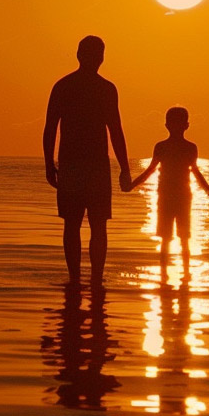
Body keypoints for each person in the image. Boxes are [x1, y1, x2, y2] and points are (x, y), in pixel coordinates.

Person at [43, 36, 132, 283]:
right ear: (81, 56)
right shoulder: (68, 87)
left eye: (98, 54)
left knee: (89, 225)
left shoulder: (91, 88)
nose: (97, 58)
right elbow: (51, 127)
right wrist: (49, 164)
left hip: (89, 166)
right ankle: (84, 279)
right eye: (94, 53)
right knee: (81, 224)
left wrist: (125, 168)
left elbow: (115, 130)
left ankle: (90, 279)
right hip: (78, 166)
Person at [124, 106, 209, 278]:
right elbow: (150, 170)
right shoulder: (161, 147)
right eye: (174, 123)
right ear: (167, 125)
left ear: (186, 125)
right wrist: (132, 185)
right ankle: (164, 274)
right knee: (166, 238)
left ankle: (186, 273)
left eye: (179, 123)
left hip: (182, 198)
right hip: (166, 198)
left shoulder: (190, 148)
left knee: (184, 238)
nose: (177, 126)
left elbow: (195, 172)